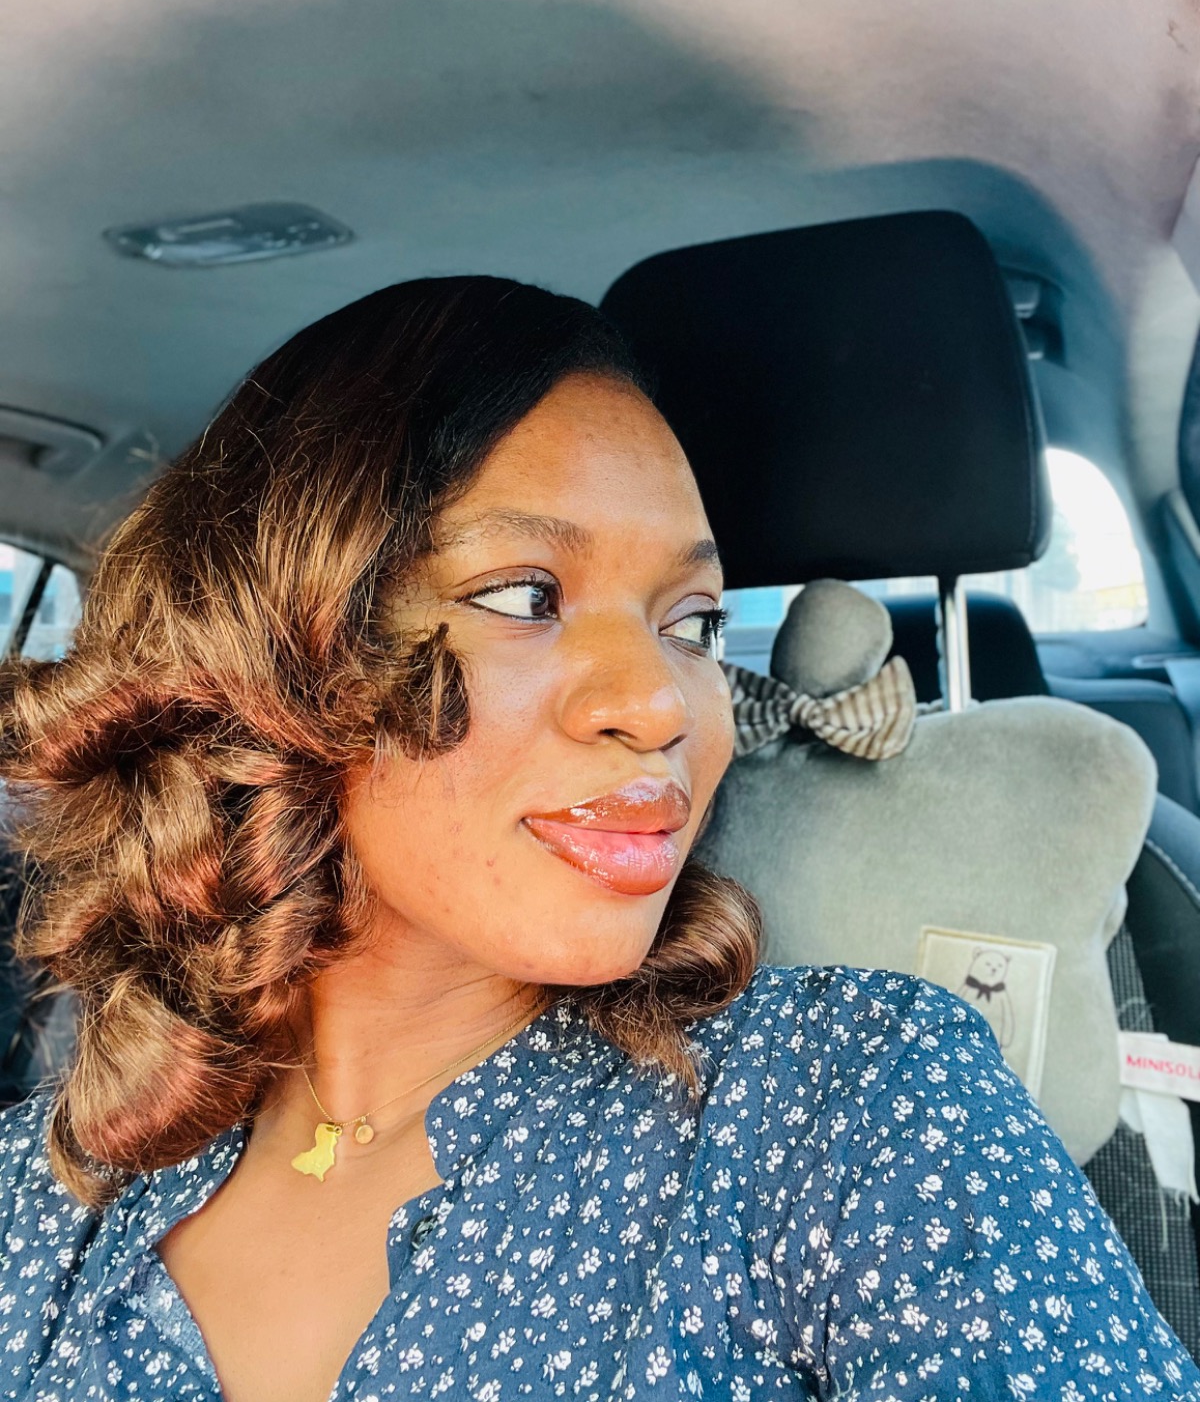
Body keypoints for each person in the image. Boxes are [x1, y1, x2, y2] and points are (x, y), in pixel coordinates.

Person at [0, 276, 1195, 1402]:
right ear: (267, 656)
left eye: (695, 621)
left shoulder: (853, 1102)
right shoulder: (51, 1189)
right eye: (527, 595)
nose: (664, 703)